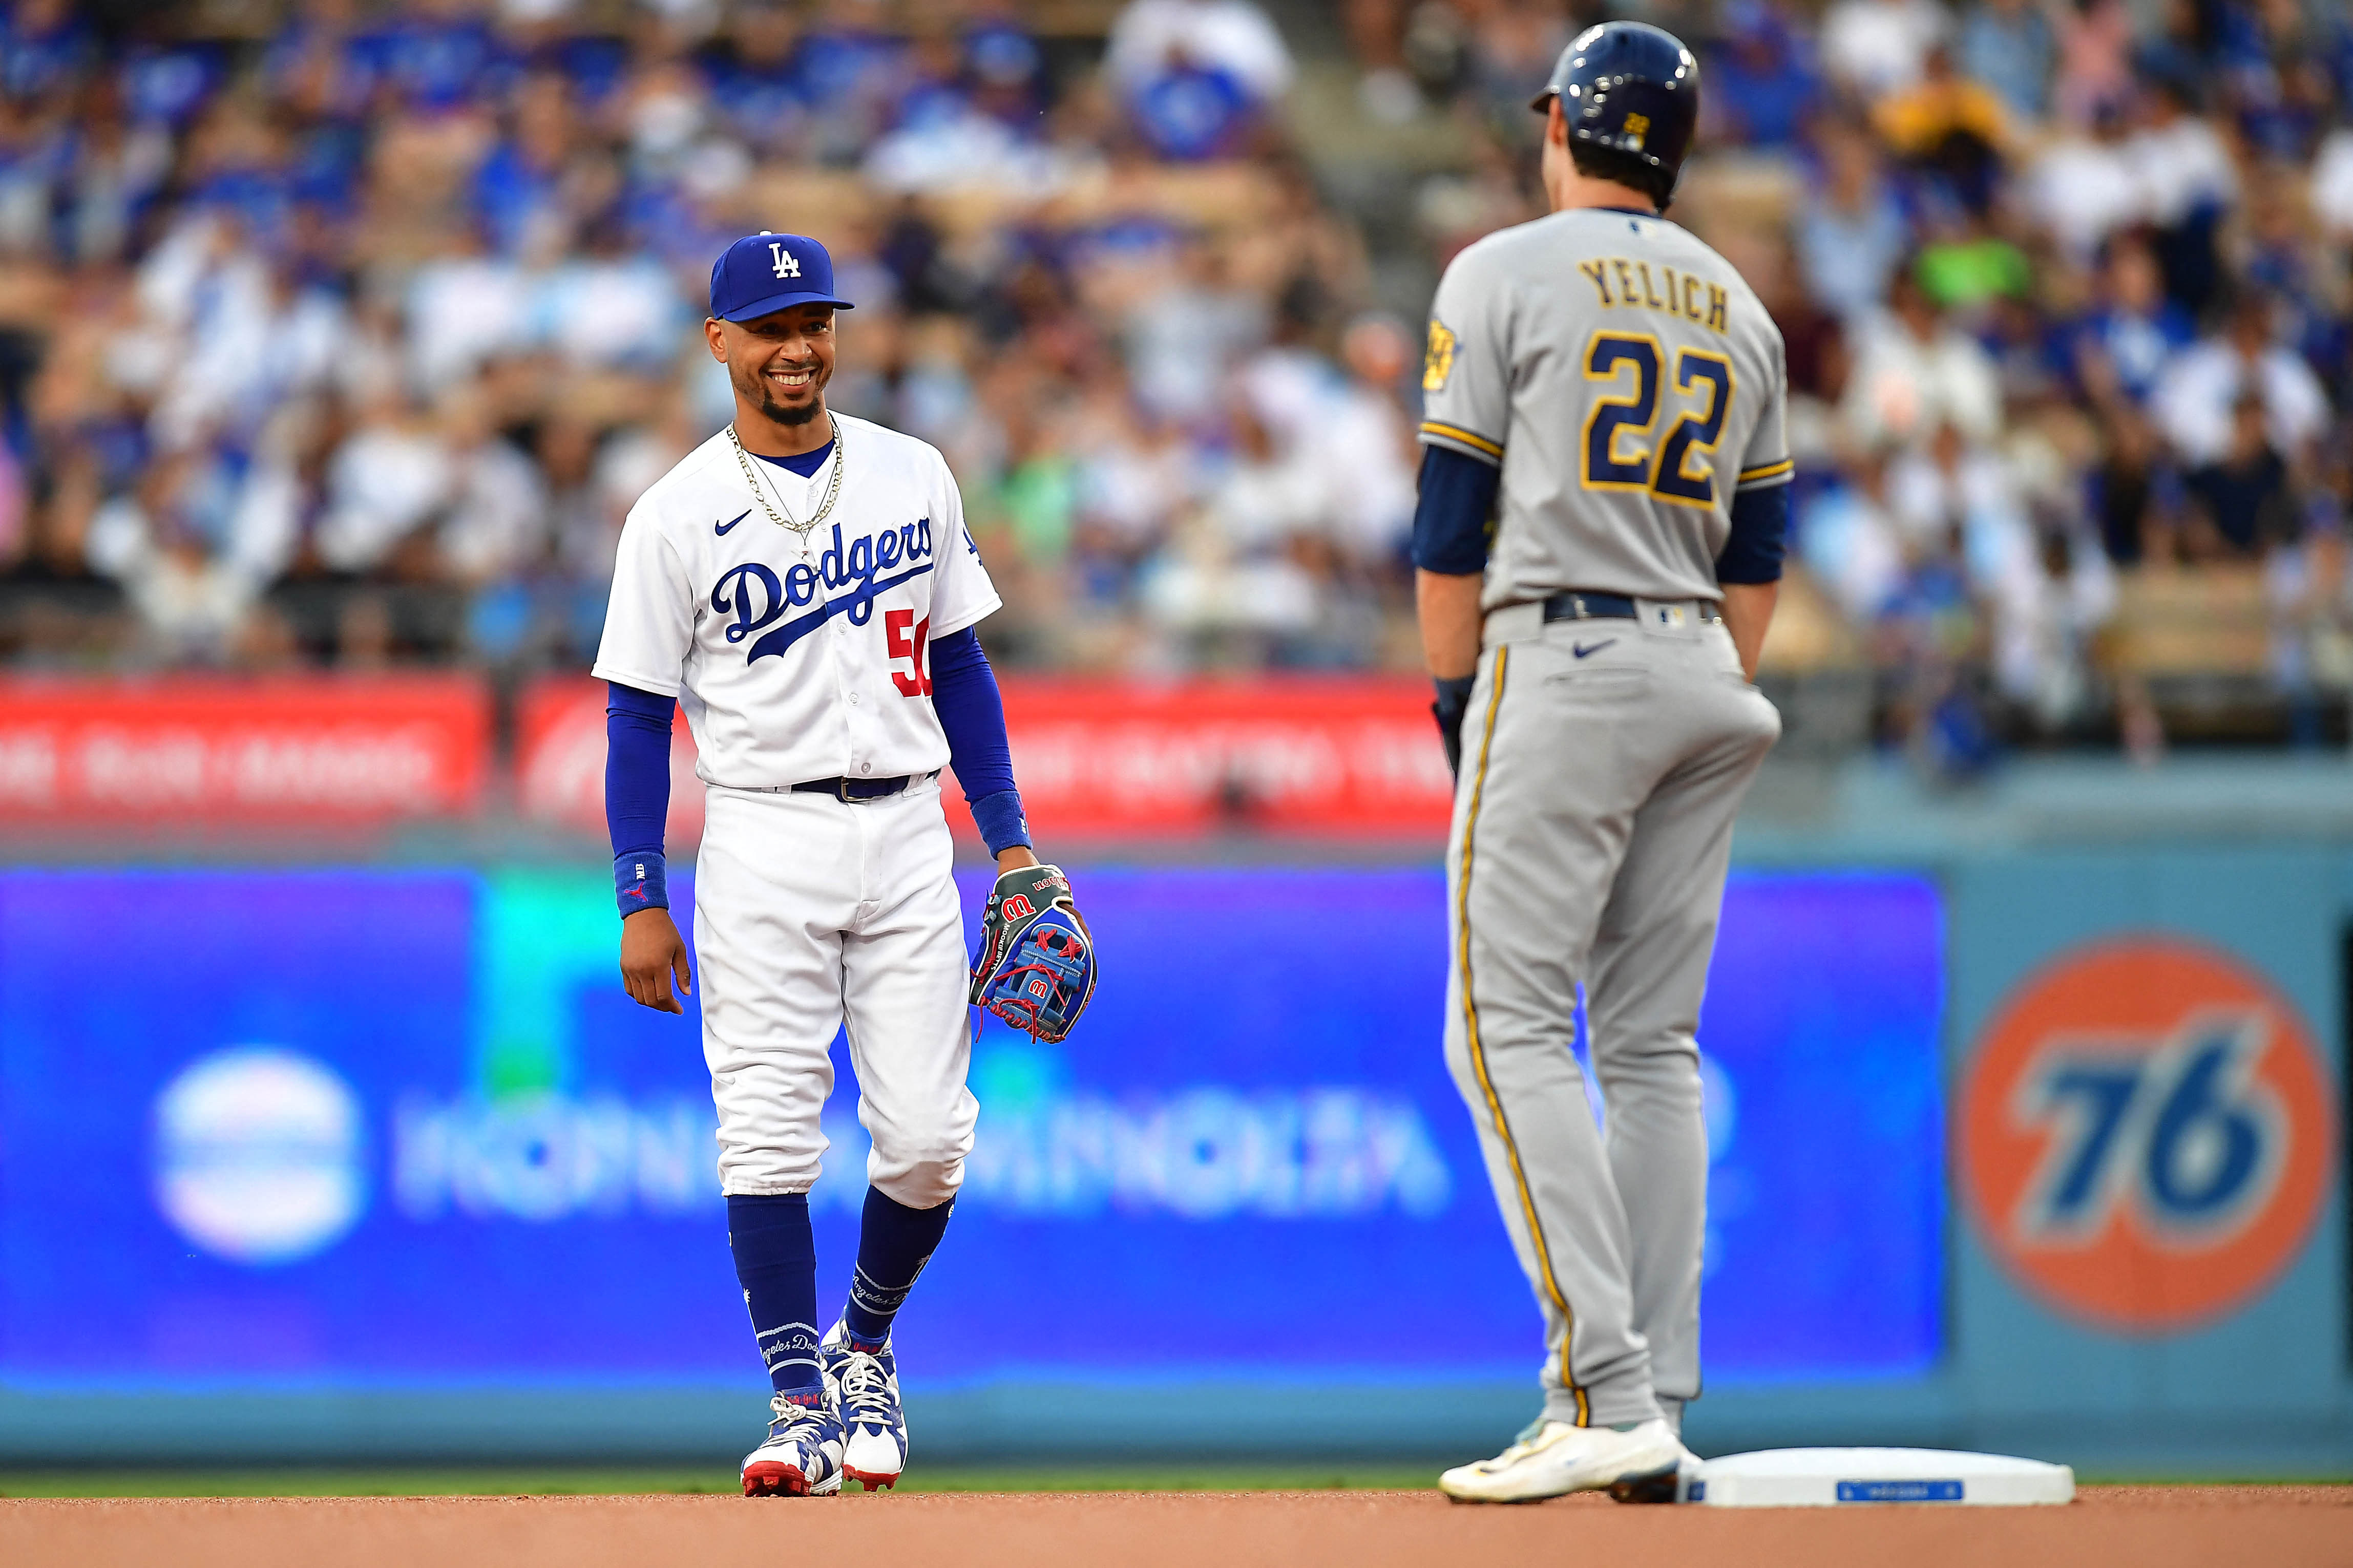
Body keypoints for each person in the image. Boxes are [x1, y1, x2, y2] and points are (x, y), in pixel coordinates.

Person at [594, 232, 1059, 1497]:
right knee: (766, 1134)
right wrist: (640, 893)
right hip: (757, 830)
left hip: (910, 826)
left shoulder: (911, 474)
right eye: (771, 325)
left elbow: (961, 663)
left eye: (816, 321)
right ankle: (796, 1397)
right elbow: (636, 716)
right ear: (720, 344)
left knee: (923, 1141)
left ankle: (865, 1342)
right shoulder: (675, 512)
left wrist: (1009, 842)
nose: (798, 345)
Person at [1413, 22, 1790, 1503]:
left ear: (1566, 126)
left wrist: (1463, 709)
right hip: (1706, 662)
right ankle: (1661, 1407)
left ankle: (1603, 1388)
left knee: (1501, 1025)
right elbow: (1756, 561)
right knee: (1649, 1048)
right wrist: (1677, 683)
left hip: (1559, 650)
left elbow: (1450, 525)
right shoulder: (1741, 306)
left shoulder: (1502, 267)